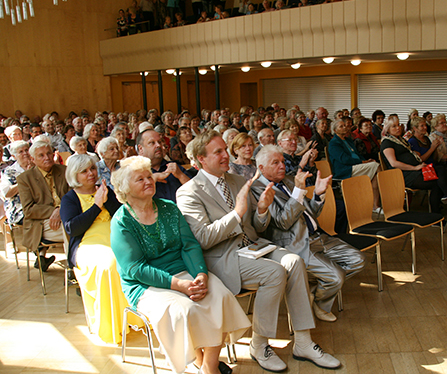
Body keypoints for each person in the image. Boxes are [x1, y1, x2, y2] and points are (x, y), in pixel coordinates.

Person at [176, 131, 341, 372]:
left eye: (225, 149)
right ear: (201, 158)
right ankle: (259, 344)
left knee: (294, 261)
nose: (225, 155)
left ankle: (304, 342)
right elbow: (203, 239)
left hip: (253, 246)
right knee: (274, 273)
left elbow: (257, 227)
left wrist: (262, 209)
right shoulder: (189, 191)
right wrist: (237, 214)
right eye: (218, 152)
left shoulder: (236, 181)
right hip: (224, 258)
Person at [111, 156, 250, 374]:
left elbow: (189, 245)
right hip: (146, 285)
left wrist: (201, 275)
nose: (149, 181)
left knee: (220, 296)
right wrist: (178, 285)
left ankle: (209, 365)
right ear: (125, 188)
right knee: (185, 310)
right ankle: (198, 360)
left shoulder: (168, 208)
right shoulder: (122, 222)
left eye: (149, 176)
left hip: (185, 272)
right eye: (140, 179)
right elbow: (135, 269)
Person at [252, 145, 365, 322]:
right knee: (336, 277)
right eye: (275, 163)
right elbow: (283, 222)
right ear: (261, 168)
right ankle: (321, 303)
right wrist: (297, 192)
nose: (282, 166)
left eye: (282, 161)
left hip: (318, 236)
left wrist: (318, 195)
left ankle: (315, 290)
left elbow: (309, 212)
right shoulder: (258, 189)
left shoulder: (289, 181)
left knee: (358, 260)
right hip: (295, 243)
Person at [60, 154, 131, 344]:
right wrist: (97, 205)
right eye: (84, 171)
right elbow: (72, 227)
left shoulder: (104, 190)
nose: (91, 173)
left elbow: (121, 214)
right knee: (109, 264)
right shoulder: (70, 198)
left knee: (132, 258)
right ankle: (110, 324)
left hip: (114, 236)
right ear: (75, 175)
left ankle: (131, 317)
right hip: (88, 244)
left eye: (92, 168)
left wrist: (106, 198)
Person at [380, 116, 447, 216]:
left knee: (441, 169)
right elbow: (393, 163)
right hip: (403, 174)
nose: (398, 128)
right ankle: (436, 215)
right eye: (394, 126)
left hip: (415, 170)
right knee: (436, 183)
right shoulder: (387, 142)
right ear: (388, 129)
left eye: (398, 125)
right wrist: (415, 167)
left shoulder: (401, 140)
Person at [17, 140, 70, 271]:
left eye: (49, 154)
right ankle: (72, 270)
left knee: (74, 225)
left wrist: (60, 211)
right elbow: (29, 210)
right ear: (33, 159)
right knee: (69, 227)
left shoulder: (64, 171)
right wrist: (54, 211)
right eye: (41, 155)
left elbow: (73, 196)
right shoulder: (25, 179)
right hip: (40, 224)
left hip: (65, 216)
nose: (46, 158)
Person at [329, 119, 381, 210]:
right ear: (335, 130)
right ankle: (382, 198)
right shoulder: (334, 143)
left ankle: (375, 205)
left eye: (344, 125)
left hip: (356, 165)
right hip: (345, 169)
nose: (344, 127)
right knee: (375, 166)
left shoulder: (348, 140)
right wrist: (362, 162)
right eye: (341, 126)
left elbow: (357, 155)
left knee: (375, 174)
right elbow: (344, 159)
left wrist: (366, 161)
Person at [137, 129, 191, 202]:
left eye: (159, 142)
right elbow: (132, 200)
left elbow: (197, 193)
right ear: (141, 149)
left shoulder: (174, 167)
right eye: (152, 143)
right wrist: (152, 179)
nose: (158, 145)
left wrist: (181, 176)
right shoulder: (135, 172)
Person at [1, 141, 33, 228]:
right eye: (21, 152)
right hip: (19, 209)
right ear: (14, 156)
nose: (25, 153)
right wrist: (27, 177)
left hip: (39, 205)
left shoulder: (37, 167)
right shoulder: (9, 172)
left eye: (26, 150)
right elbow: (7, 193)